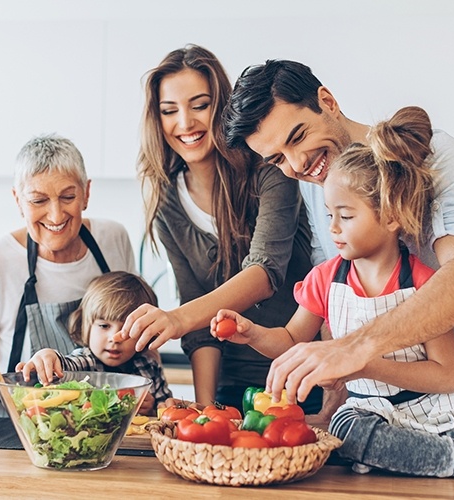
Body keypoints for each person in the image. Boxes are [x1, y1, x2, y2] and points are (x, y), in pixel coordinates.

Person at [213, 106, 454, 489]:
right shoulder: (324, 280)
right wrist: (251, 333)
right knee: (349, 428)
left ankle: (405, 454)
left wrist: (362, 363)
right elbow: (289, 340)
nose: (332, 228)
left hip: (440, 405)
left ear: (391, 217)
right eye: (329, 214)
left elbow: (447, 376)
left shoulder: (424, 283)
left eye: (345, 216)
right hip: (374, 414)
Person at [223, 59, 454, 405]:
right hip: (374, 408)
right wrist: (334, 401)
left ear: (327, 101)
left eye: (298, 137)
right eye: (278, 159)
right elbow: (333, 302)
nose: (297, 165)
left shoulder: (433, 154)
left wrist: (356, 349)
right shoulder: (316, 182)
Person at [118, 44, 323, 415]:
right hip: (230, 388)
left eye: (200, 105)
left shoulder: (270, 171)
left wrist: (176, 319)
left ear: (222, 108)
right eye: (169, 111)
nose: (185, 123)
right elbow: (198, 325)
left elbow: (264, 273)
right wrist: (204, 409)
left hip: (301, 378)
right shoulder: (167, 202)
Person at [0, 134, 137, 435]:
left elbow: (140, 338)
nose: (56, 215)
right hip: (17, 432)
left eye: (68, 197)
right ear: (18, 201)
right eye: (38, 200)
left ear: (86, 193)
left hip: (103, 429)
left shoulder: (113, 240)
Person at [16, 271, 172, 416]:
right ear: (86, 327)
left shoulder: (150, 366)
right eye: (104, 326)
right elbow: (65, 365)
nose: (115, 338)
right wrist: (48, 356)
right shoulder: (86, 361)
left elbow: (166, 409)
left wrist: (153, 408)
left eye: (128, 330)